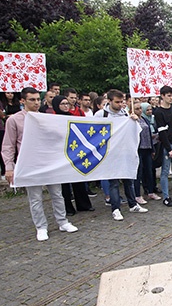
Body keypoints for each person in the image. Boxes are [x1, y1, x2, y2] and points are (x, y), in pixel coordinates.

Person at [2, 87, 78, 241]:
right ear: (23, 101)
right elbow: (8, 145)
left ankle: (62, 221)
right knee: (35, 197)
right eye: (32, 99)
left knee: (57, 194)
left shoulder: (46, 117)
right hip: (30, 164)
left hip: (49, 161)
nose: (36, 102)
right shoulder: (14, 120)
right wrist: (9, 168)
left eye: (38, 99)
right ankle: (41, 226)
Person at [94, 89, 148, 221]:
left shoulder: (125, 113)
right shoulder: (101, 115)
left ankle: (132, 204)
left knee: (128, 180)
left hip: (125, 152)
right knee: (114, 183)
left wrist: (134, 121)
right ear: (109, 101)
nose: (120, 105)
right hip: (111, 154)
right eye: (117, 102)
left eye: (121, 102)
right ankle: (116, 208)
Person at [50, 95, 95, 215]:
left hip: (74, 152)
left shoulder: (72, 117)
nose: (65, 106)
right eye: (62, 104)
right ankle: (68, 208)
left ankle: (83, 204)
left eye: (67, 104)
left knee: (78, 179)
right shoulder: (52, 119)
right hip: (60, 153)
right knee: (64, 183)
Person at [133, 102, 161, 203]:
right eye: (137, 109)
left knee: (149, 171)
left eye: (140, 108)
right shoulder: (132, 120)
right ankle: (137, 194)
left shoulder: (144, 119)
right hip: (138, 149)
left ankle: (150, 191)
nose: (139, 110)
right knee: (139, 172)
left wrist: (152, 149)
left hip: (147, 148)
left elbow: (148, 133)